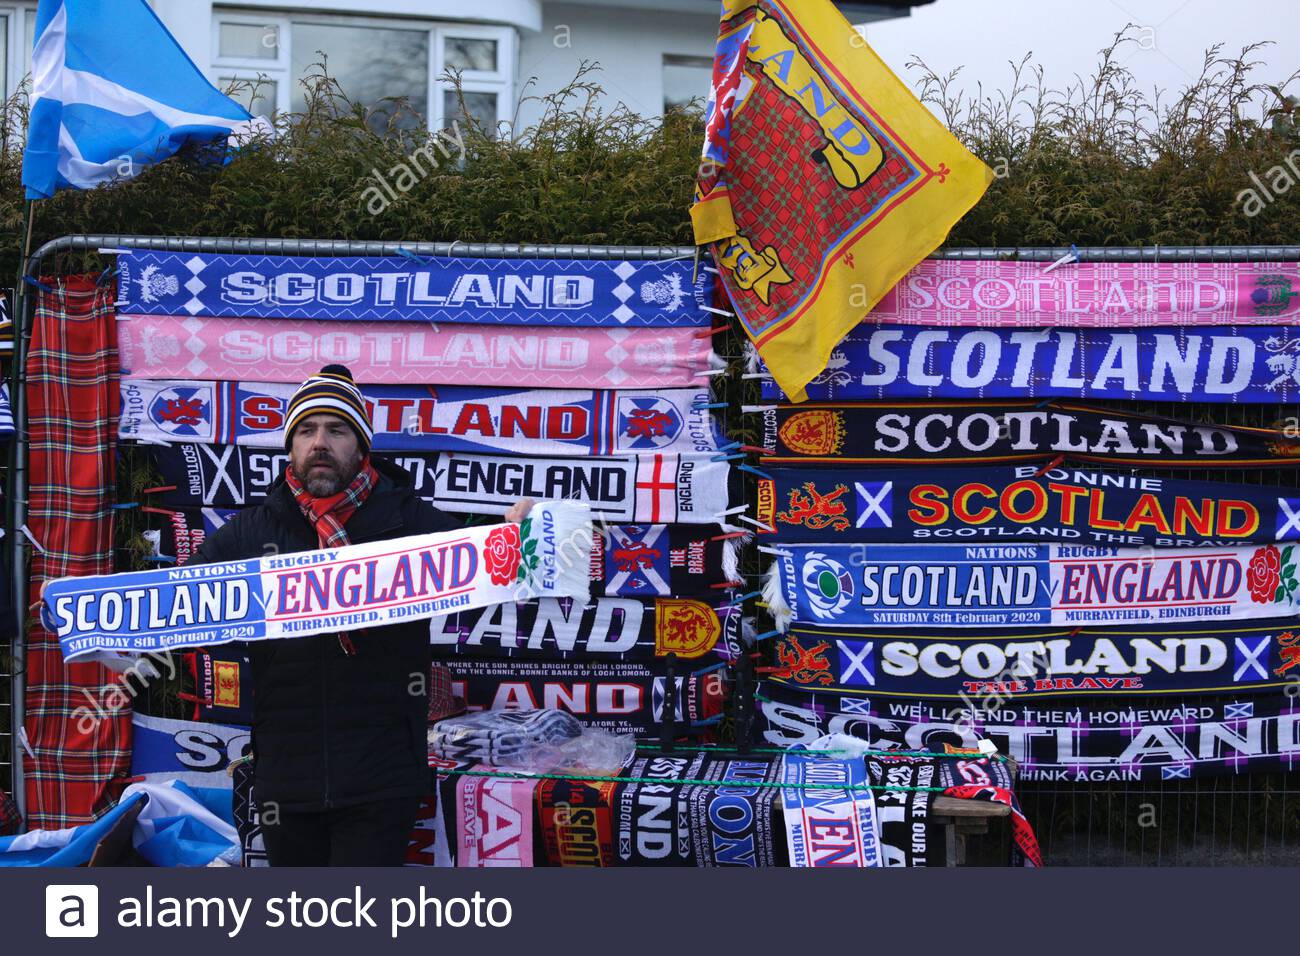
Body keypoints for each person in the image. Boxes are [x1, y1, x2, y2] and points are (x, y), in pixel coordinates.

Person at [190, 364, 530, 866]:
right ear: (290, 445)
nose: (319, 442)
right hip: (288, 778)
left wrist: (518, 543)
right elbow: (177, 601)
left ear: (362, 444)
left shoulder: (408, 521)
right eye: (306, 430)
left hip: (382, 775)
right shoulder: (249, 533)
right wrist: (105, 626)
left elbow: (489, 573)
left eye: (337, 430)